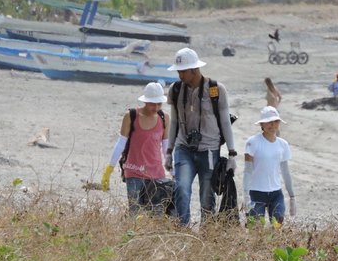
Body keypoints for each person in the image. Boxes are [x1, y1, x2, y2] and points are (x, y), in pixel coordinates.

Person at [165, 48, 237, 227]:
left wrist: (232, 154)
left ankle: (207, 233)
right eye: (178, 71)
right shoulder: (174, 90)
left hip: (209, 150)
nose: (180, 75)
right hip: (183, 149)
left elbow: (225, 122)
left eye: (183, 71)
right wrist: (169, 151)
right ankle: (182, 229)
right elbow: (174, 122)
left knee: (207, 196)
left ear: (194, 70)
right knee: (181, 189)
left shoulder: (216, 89)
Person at [101, 82, 171, 215]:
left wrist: (173, 172)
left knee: (157, 214)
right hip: (134, 172)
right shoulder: (131, 116)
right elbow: (121, 143)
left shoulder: (164, 118)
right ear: (146, 101)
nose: (156, 107)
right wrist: (109, 170)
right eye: (152, 103)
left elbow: (166, 147)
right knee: (135, 213)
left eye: (159, 104)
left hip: (157, 174)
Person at [243, 106, 295, 228]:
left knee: (277, 227)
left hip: (276, 193)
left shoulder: (283, 144)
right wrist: (246, 195)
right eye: (268, 122)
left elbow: (285, 172)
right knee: (255, 229)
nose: (272, 125)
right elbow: (247, 171)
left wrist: (292, 197)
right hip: (256, 193)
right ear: (262, 124)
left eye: (275, 121)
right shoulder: (252, 142)